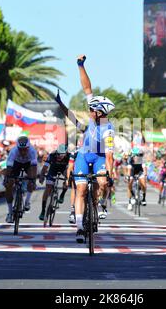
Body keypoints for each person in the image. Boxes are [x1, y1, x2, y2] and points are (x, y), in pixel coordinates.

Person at [54, 54, 115, 243]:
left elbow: (110, 156)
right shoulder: (89, 121)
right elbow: (87, 88)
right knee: (80, 189)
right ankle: (80, 226)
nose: (89, 112)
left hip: (99, 158)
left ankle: (99, 204)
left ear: (99, 113)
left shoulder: (108, 129)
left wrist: (110, 175)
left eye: (91, 110)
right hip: (83, 155)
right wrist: (80, 65)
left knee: (102, 183)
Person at [3, 136, 38, 224]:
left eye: (25, 149)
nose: (22, 151)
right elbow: (9, 168)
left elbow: (34, 167)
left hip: (28, 164)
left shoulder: (32, 151)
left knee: (31, 180)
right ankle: (10, 213)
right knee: (9, 185)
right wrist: (8, 178)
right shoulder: (13, 151)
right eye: (20, 149)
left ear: (28, 147)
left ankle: (27, 202)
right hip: (16, 164)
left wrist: (33, 180)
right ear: (17, 147)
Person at [38, 144, 70, 221]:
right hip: (53, 169)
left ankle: (62, 195)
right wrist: (42, 176)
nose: (59, 156)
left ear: (66, 153)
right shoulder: (52, 155)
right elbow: (45, 167)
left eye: (62, 155)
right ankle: (43, 211)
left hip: (64, 169)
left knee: (68, 179)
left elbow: (71, 169)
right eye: (58, 154)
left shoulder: (69, 156)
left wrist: (68, 178)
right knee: (48, 187)